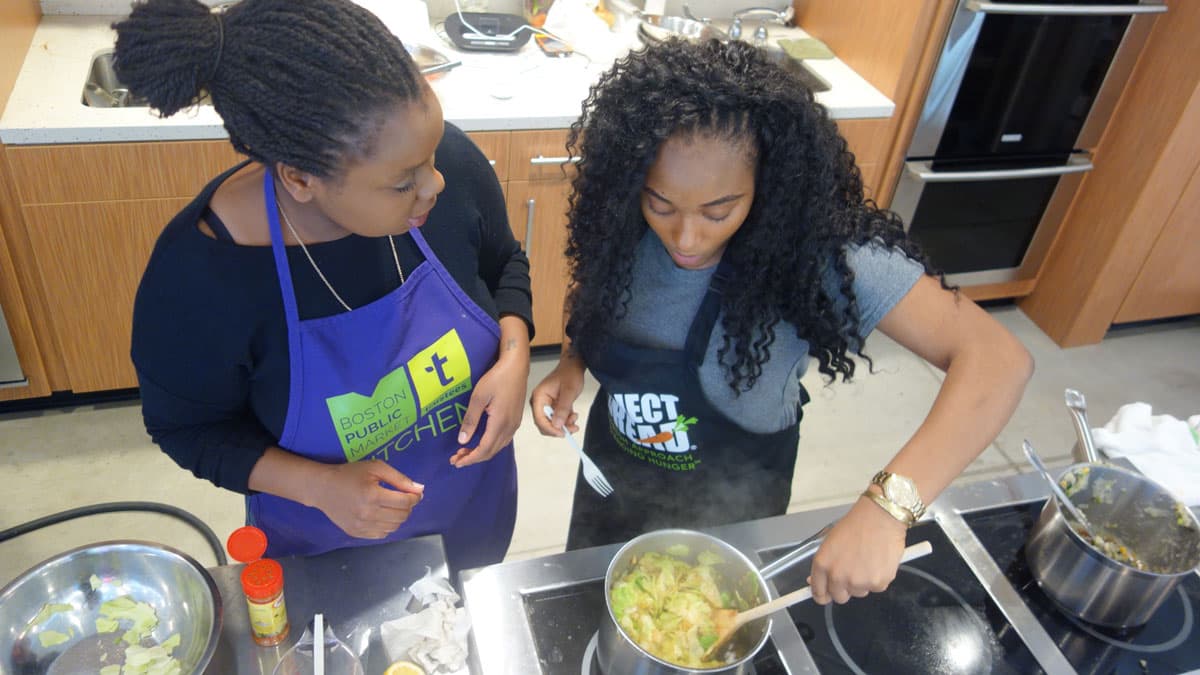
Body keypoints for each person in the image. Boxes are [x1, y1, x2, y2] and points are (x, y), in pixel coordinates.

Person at [529, 39, 1033, 605]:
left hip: (734, 517)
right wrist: (574, 363)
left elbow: (997, 360)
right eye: (661, 205)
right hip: (610, 485)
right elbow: (595, 297)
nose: (686, 238)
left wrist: (888, 509)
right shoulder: (621, 222)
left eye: (719, 211)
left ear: (767, 186)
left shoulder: (818, 255)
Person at [118, 0, 532, 572]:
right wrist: (320, 487)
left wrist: (515, 355)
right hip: (327, 559)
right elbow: (188, 429)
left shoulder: (446, 168)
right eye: (401, 184)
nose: (434, 183)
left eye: (431, 157)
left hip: (470, 520)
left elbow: (503, 261)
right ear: (299, 178)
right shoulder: (201, 279)